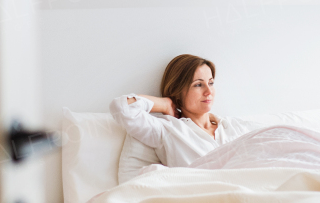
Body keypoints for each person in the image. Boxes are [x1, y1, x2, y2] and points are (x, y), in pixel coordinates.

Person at [109, 54, 254, 166]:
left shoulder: (233, 126)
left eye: (211, 83)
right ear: (177, 91)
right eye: (198, 85)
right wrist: (165, 104)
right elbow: (122, 108)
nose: (209, 91)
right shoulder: (167, 130)